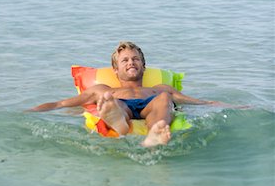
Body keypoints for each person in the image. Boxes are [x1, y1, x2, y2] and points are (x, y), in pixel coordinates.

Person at [30, 41, 228, 147]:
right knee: (110, 102)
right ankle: (118, 123)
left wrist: (232, 106)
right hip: (119, 102)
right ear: (115, 70)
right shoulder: (105, 90)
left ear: (144, 66)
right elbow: (60, 104)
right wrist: (30, 111)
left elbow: (201, 103)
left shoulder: (160, 89)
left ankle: (154, 133)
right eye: (124, 61)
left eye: (135, 59)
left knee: (165, 99)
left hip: (151, 103)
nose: (131, 62)